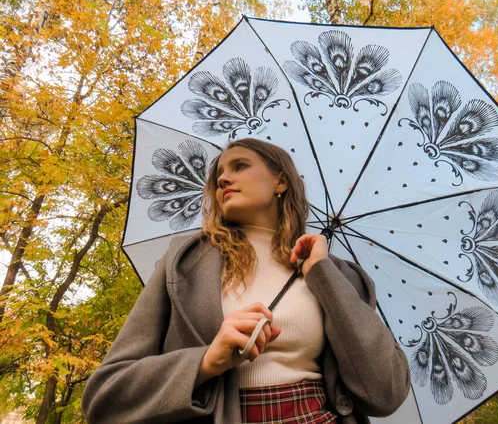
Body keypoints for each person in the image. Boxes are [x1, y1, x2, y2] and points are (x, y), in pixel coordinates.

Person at [82, 138, 411, 424]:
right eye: (219, 174)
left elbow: (387, 392)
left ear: (280, 181)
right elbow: (105, 396)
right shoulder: (183, 263)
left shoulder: (336, 273)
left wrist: (323, 275)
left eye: (240, 166)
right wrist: (206, 362)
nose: (223, 178)